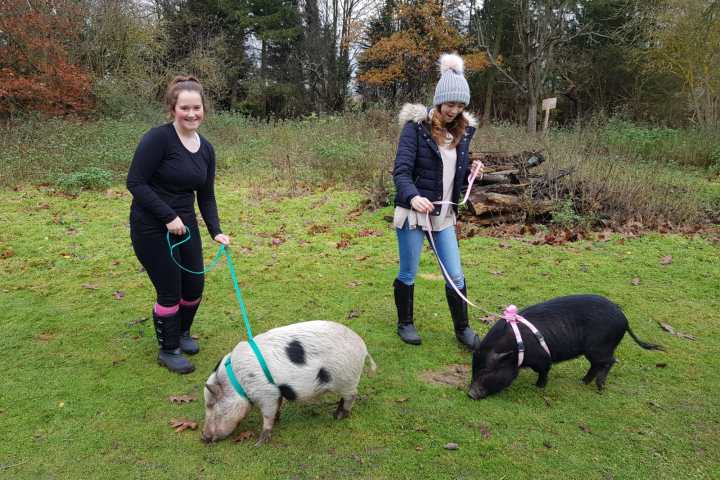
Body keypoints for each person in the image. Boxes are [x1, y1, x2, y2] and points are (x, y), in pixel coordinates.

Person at [127, 76, 230, 374]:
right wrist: (167, 216)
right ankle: (168, 349)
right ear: (173, 108)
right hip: (151, 226)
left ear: (204, 109)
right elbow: (135, 182)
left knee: (194, 286)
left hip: (185, 226)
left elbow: (206, 194)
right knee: (170, 290)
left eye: (196, 107)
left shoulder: (206, 149)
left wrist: (216, 230)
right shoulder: (158, 139)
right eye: (184, 107)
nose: (191, 114)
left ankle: (182, 333)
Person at [391, 53, 482, 349]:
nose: (454, 111)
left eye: (460, 106)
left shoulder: (463, 132)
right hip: (414, 214)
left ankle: (463, 329)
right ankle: (405, 323)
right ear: (439, 101)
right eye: (450, 104)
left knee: (455, 273)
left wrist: (471, 171)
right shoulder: (415, 129)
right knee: (408, 271)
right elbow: (401, 171)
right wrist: (413, 197)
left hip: (443, 216)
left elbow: (451, 168)